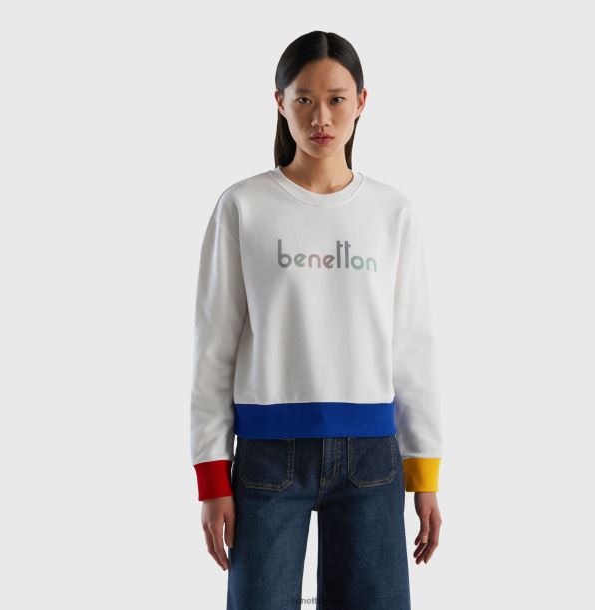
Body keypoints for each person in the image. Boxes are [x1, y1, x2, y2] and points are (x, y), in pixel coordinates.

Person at [190, 30, 443, 610]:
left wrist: (424, 473)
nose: (320, 116)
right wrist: (211, 477)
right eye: (303, 98)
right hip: (267, 456)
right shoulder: (244, 206)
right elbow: (214, 345)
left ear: (361, 102)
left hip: (373, 458)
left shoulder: (392, 211)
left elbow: (413, 346)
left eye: (336, 99)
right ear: (280, 102)